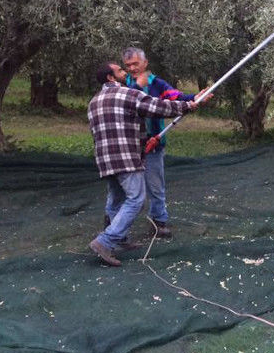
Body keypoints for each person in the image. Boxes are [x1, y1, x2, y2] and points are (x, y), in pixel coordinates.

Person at [88, 62, 198, 266]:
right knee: (136, 200)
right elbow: (158, 107)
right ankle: (105, 241)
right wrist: (188, 105)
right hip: (126, 158)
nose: (125, 73)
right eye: (120, 71)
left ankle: (119, 239)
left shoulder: (94, 101)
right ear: (111, 78)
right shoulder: (127, 94)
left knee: (116, 199)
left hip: (105, 160)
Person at [121, 47, 209, 238]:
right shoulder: (123, 84)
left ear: (145, 63)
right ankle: (116, 224)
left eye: (136, 64)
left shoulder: (157, 84)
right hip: (128, 145)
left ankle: (158, 222)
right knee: (124, 188)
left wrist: (194, 98)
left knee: (155, 185)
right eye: (128, 65)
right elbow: (125, 106)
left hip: (153, 143)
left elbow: (175, 96)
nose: (132, 68)